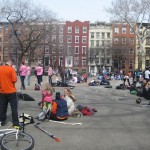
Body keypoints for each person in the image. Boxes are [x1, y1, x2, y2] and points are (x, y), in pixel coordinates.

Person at [0, 60, 21, 129]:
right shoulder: (11, 69)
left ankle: (2, 121)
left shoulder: (0, 68)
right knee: (14, 108)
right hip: (11, 91)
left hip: (2, 91)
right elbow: (14, 80)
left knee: (2, 107)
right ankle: (15, 123)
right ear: (10, 64)